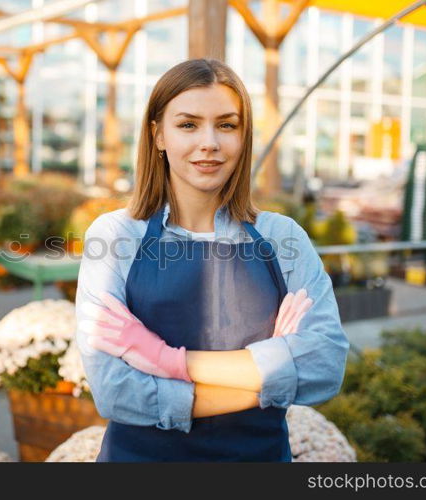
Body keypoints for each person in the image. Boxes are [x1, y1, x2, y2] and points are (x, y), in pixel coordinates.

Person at [75, 58, 349, 462]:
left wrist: (165, 360)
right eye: (188, 125)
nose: (210, 143)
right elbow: (116, 392)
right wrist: (272, 371)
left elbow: (324, 367)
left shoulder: (282, 237)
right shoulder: (116, 236)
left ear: (243, 136)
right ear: (158, 136)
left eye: (226, 124)